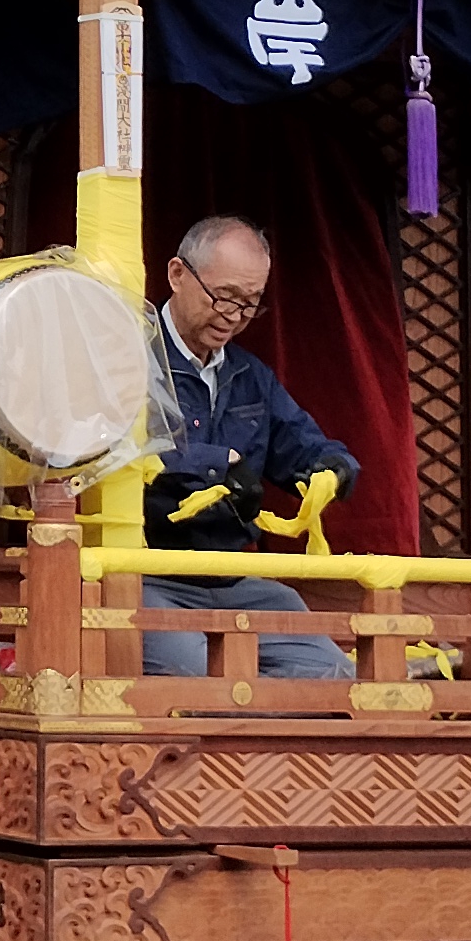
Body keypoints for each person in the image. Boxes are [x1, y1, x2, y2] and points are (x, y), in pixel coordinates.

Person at [137, 214, 358, 680]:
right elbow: (115, 451)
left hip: (234, 577)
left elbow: (302, 443)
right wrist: (217, 465)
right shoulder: (127, 355)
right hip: (145, 573)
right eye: (223, 297)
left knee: (331, 675)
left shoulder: (249, 375)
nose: (233, 317)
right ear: (177, 274)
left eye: (249, 304)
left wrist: (331, 468)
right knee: (195, 677)